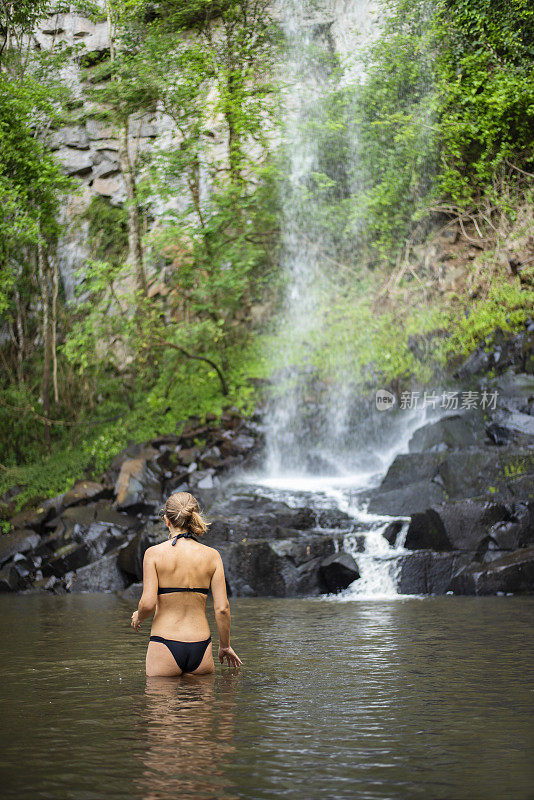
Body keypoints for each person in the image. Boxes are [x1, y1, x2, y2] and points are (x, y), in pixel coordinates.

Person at [130, 491, 242, 677]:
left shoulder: (153, 554)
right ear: (193, 519)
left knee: (158, 700)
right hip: (201, 647)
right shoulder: (213, 556)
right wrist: (225, 646)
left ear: (167, 520)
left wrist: (139, 616)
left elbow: (148, 604)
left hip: (165, 643)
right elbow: (222, 608)